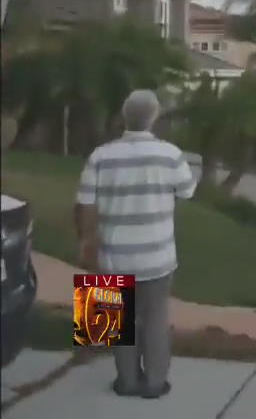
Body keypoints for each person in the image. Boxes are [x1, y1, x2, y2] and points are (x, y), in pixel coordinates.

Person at [74, 90, 195, 399]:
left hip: (113, 255)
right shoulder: (170, 154)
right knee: (155, 319)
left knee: (117, 321)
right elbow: (187, 191)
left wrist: (87, 243)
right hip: (157, 257)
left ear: (124, 118)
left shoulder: (101, 155)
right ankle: (155, 384)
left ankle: (126, 382)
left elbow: (85, 204)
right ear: (154, 118)